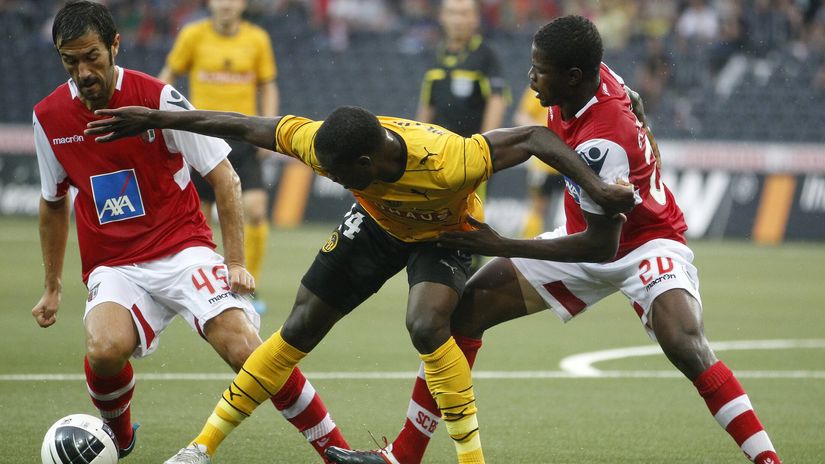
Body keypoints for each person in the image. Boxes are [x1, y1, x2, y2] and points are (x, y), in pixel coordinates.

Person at [323, 16, 782, 464]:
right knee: (464, 314)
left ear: (573, 76)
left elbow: (600, 249)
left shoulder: (603, 145)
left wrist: (500, 244)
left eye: (540, 70)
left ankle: (766, 458)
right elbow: (633, 99)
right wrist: (644, 128)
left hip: (645, 242)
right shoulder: (592, 76)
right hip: (585, 232)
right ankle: (403, 456)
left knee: (683, 342)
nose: (531, 77)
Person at [85, 103, 636, 463]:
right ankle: (201, 448)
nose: (332, 179)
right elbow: (243, 126)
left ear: (369, 161)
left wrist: (597, 188)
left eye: (341, 174)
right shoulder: (324, 143)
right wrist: (157, 118)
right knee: (300, 325)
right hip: (376, 225)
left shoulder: (451, 160)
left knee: (427, 324)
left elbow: (537, 135)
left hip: (443, 232)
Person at [31, 2, 346, 462]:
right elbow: (53, 201)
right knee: (104, 349)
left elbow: (224, 177)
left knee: (245, 350)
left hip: (183, 250)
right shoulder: (49, 117)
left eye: (92, 57)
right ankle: (118, 436)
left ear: (115, 45)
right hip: (114, 264)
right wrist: (52, 286)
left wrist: (235, 262)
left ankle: (336, 451)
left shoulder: (157, 98)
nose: (83, 72)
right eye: (70, 61)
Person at [158, 0, 277, 313]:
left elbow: (268, 86)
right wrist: (157, 116)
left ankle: (250, 285)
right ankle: (211, 284)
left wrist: (269, 129)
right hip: (202, 135)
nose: (226, 4)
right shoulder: (193, 35)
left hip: (244, 135)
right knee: (202, 216)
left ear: (243, 4)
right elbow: (167, 76)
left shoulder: (257, 39)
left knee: (256, 210)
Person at [512, 85, 565, 238]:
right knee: (538, 206)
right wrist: (542, 131)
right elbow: (521, 116)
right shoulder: (539, 88)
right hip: (545, 162)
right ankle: (530, 244)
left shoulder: (573, 88)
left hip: (568, 160)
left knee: (570, 207)